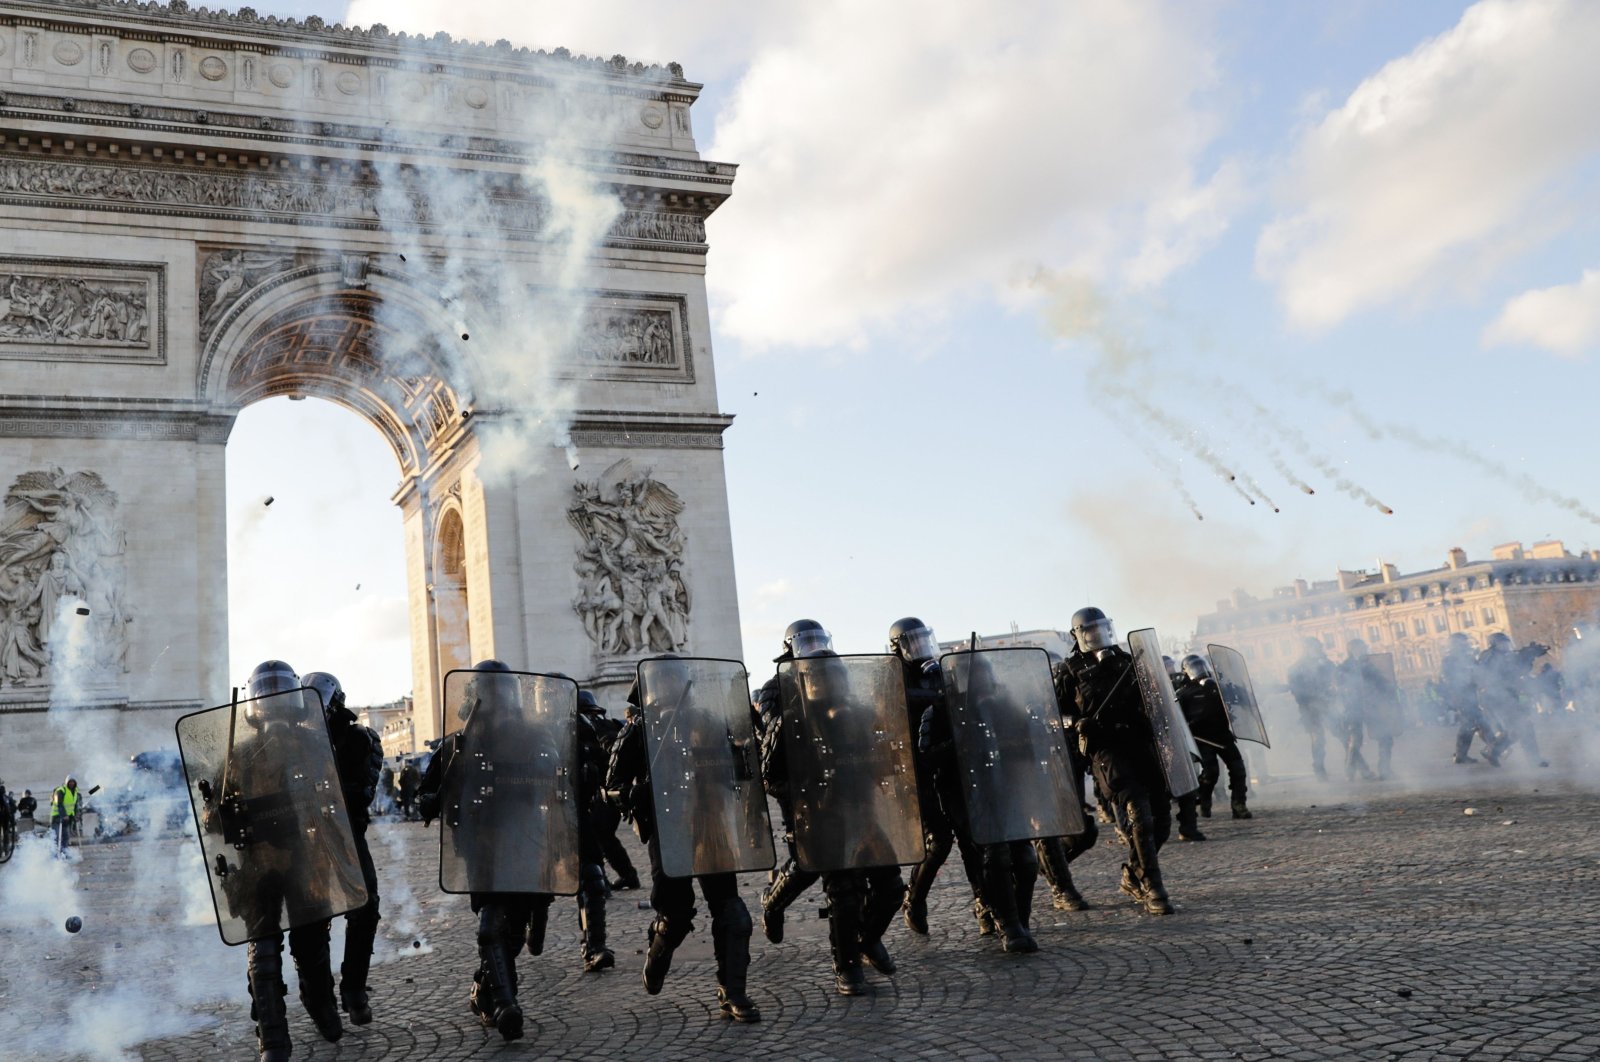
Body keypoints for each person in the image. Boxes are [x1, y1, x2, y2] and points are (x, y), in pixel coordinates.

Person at [216, 660, 368, 1061]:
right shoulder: (238, 755)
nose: (272, 704)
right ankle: (274, 1039)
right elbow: (214, 813)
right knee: (265, 956)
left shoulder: (315, 749)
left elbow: (334, 800)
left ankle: (320, 1009)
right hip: (260, 864)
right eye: (268, 695)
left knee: (311, 947)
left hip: (307, 858)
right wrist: (223, 813)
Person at [417, 661, 568, 1042]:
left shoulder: (535, 735)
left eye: (502, 694)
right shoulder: (458, 743)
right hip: (481, 844)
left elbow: (556, 773)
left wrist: (547, 766)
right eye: (490, 694)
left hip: (524, 841)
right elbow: (428, 790)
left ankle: (483, 992)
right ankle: (505, 1005)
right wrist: (432, 799)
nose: (497, 702)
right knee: (490, 928)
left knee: (512, 934)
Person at [604, 660, 760, 1022]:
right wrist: (637, 793)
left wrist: (741, 749)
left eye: (676, 678)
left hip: (710, 824)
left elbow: (741, 768)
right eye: (664, 680)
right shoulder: (638, 731)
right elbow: (610, 789)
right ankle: (658, 952)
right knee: (675, 913)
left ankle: (732, 992)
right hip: (670, 828)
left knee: (733, 912)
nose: (671, 686)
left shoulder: (707, 720)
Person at [761, 626, 909, 995]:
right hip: (821, 816)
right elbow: (770, 776)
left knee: (891, 887)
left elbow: (881, 758)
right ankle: (846, 967)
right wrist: (805, 798)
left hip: (863, 810)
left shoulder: (859, 713)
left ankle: (867, 938)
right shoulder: (789, 718)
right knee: (843, 890)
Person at [1054, 607, 1175, 915]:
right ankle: (1153, 887)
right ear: (1079, 635)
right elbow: (1055, 716)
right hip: (1105, 750)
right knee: (1138, 814)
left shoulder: (1127, 662)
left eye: (1102, 629)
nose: (1098, 636)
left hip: (1138, 743)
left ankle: (1134, 874)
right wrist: (1077, 723)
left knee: (1161, 819)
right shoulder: (1069, 671)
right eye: (1091, 631)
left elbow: (1154, 700)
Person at [917, 653, 1040, 953]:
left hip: (1004, 789)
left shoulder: (1003, 706)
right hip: (964, 794)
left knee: (1025, 858)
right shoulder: (940, 713)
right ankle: (1007, 924)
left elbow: (1026, 746)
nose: (983, 682)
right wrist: (959, 741)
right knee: (995, 853)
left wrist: (1030, 727)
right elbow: (926, 758)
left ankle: (1020, 920)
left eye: (986, 675)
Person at [889, 617, 985, 936]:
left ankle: (984, 903)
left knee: (972, 838)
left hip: (947, 764)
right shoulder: (893, 678)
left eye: (921, 640)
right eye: (911, 642)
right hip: (915, 770)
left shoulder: (937, 672)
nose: (918, 647)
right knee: (939, 841)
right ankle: (914, 901)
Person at [301, 672, 384, 1025]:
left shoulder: (357, 739)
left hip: (346, 834)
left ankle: (354, 988)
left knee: (366, 906)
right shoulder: (291, 739)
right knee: (310, 917)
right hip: (303, 841)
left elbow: (363, 789)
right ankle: (318, 995)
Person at [753, 620, 830, 946]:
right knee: (808, 861)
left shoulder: (831, 676)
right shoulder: (775, 688)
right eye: (806, 642)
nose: (813, 648)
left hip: (837, 779)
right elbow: (776, 738)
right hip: (795, 785)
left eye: (818, 640)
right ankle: (773, 903)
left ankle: (857, 939)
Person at [1175, 655, 1251, 820]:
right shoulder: (1183, 693)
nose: (1199, 670)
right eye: (1195, 667)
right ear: (1186, 672)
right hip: (1202, 739)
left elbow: (1239, 698)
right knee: (1211, 773)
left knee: (1238, 770)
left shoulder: (1217, 688)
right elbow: (1177, 719)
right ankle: (1205, 799)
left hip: (1223, 736)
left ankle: (1239, 805)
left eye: (1201, 666)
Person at [579, 690, 641, 891]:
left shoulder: (593, 726)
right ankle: (626, 876)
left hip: (602, 791)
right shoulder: (608, 723)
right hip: (611, 790)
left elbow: (611, 748)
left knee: (597, 835)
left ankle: (600, 881)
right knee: (604, 836)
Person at [1477, 634, 1549, 768]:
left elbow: (1519, 671)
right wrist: (1523, 656)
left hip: (1506, 696)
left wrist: (1529, 657)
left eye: (1507, 643)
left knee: (1518, 729)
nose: (1506, 646)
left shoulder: (1504, 656)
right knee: (1523, 726)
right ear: (1494, 644)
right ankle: (1534, 759)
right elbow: (1498, 672)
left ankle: (1493, 751)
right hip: (1496, 697)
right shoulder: (1489, 656)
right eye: (1502, 643)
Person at [1335, 640, 1395, 781]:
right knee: (1355, 741)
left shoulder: (1369, 666)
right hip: (1353, 707)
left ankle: (1384, 769)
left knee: (1385, 736)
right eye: (1362, 648)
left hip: (1372, 705)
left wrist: (1388, 690)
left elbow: (1381, 682)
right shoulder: (1344, 667)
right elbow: (1341, 688)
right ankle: (1349, 771)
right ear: (1353, 649)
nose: (1365, 650)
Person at [1438, 634, 1501, 766]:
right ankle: (1494, 748)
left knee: (1468, 726)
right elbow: (1450, 679)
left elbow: (1478, 673)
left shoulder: (1468, 658)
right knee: (1480, 721)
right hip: (1461, 696)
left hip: (1471, 695)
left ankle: (1461, 755)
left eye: (1465, 642)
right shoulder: (1449, 660)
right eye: (1462, 642)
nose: (1465, 644)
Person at [50, 775, 80, 855]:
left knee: (65, 836)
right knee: (56, 837)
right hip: (57, 817)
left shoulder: (75, 791)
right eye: (70, 782)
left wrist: (75, 815)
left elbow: (74, 805)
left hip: (67, 817)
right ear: (67, 782)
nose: (71, 783)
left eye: (73, 782)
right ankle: (55, 854)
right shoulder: (61, 790)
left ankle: (64, 853)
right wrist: (63, 815)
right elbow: (59, 804)